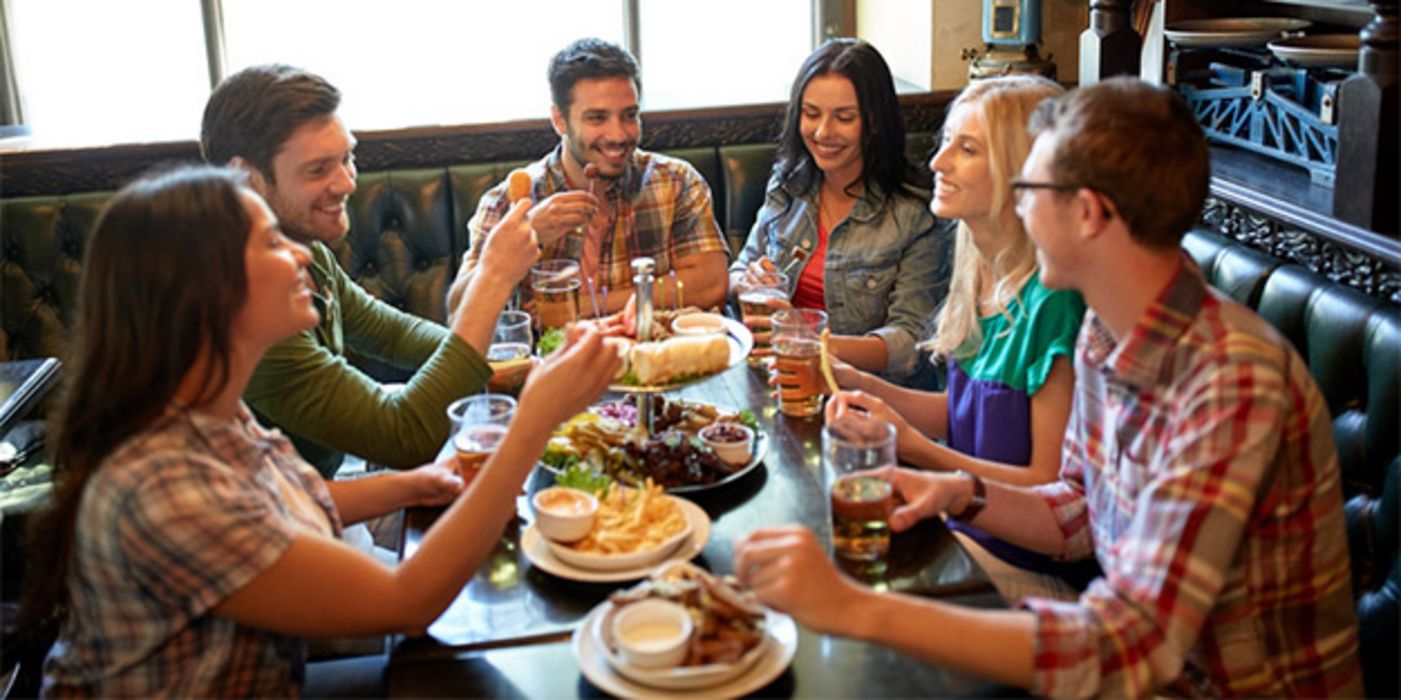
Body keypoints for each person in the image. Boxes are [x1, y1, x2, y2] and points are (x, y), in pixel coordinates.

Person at [735, 78, 1362, 697]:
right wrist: (953, 491)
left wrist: (855, 609)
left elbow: (1130, 647)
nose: (1019, 205)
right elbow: (1077, 512)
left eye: (1029, 187)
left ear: (1088, 213)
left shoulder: (1230, 380)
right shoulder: (1105, 330)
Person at [18, 166, 621, 696]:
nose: (301, 254)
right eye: (270, 244)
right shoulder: (162, 483)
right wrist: (532, 424)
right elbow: (407, 602)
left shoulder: (206, 406)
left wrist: (415, 485)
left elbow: (277, 503)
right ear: (204, 292)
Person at [825, 75, 1098, 594]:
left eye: (966, 148)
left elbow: (1048, 486)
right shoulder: (978, 267)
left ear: (1024, 173)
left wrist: (915, 449)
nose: (937, 162)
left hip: (1032, 567)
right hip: (963, 531)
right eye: (946, 141)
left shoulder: (1055, 300)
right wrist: (851, 382)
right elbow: (964, 410)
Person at [201, 64, 538, 477]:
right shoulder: (243, 305)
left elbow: (393, 334)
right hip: (285, 526)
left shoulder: (309, 252)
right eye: (318, 169)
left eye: (348, 158)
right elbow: (402, 437)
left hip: (322, 492)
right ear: (245, 177)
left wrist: (516, 365)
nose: (347, 183)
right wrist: (494, 277)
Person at [446, 38, 730, 318]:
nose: (618, 135)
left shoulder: (676, 182)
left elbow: (712, 284)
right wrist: (525, 236)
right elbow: (459, 313)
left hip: (656, 358)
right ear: (559, 120)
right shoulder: (508, 201)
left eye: (629, 115)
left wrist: (580, 307)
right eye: (597, 118)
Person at [731, 38, 951, 382]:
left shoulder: (916, 213)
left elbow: (911, 344)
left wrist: (806, 340)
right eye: (811, 114)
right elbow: (739, 268)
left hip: (868, 400)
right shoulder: (789, 183)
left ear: (875, 121)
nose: (822, 132)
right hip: (777, 380)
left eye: (844, 118)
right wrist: (749, 282)